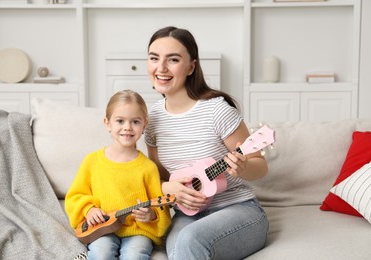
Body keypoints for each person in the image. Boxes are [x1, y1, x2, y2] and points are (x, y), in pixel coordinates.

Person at [144, 26, 269, 260]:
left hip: (239, 210)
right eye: (154, 58)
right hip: (187, 213)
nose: (160, 68)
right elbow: (158, 177)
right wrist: (165, 188)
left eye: (173, 59)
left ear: (191, 66)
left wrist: (244, 167)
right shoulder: (152, 120)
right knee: (175, 245)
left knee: (190, 241)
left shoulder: (217, 110)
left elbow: (260, 166)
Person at [65, 89, 172, 260]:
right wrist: (89, 210)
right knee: (101, 253)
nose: (127, 127)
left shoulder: (148, 168)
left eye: (135, 122)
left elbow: (161, 208)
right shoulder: (92, 161)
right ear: (107, 123)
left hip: (138, 231)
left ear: (144, 124)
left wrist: (150, 215)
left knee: (134, 254)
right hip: (101, 229)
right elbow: (75, 196)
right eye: (120, 121)